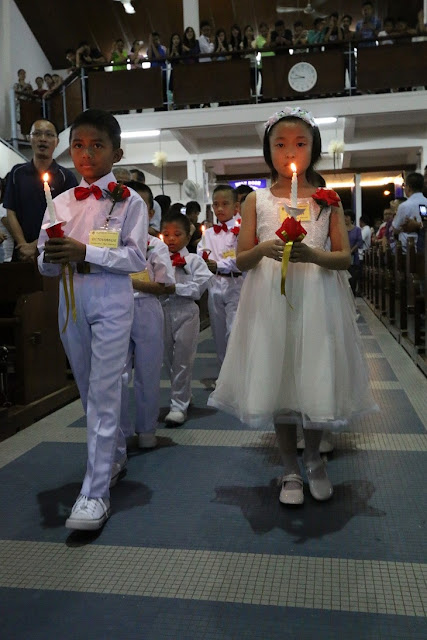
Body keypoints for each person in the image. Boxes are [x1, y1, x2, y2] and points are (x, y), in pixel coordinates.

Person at [208, 106, 377, 506]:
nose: (289, 153)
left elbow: (344, 258)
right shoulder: (256, 200)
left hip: (317, 298)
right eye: (280, 145)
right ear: (268, 151)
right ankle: (289, 468)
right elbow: (242, 258)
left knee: (315, 376)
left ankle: (314, 458)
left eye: (299, 144)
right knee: (279, 377)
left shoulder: (327, 200)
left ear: (313, 149)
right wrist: (265, 248)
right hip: (271, 299)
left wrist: (314, 255)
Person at [37, 109, 148, 530]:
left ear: (116, 152)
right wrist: (51, 257)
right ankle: (113, 456)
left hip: (111, 297)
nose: (86, 153)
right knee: (87, 388)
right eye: (79, 145)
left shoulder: (130, 200)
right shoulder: (60, 201)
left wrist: (86, 251)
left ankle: (95, 493)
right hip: (71, 298)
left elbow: (135, 258)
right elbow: (45, 265)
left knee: (103, 390)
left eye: (97, 145)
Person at [118, 181, 175, 454]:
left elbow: (165, 286)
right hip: (116, 309)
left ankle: (147, 430)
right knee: (116, 374)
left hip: (147, 308)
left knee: (148, 371)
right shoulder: (109, 242)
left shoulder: (156, 245)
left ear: (150, 213)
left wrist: (133, 283)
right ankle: (119, 431)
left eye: (140, 206)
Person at [160, 211, 212, 425]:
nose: (171, 239)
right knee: (168, 359)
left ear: (188, 237)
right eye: (166, 234)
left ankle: (178, 406)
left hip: (186, 311)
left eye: (177, 234)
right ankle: (183, 395)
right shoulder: (156, 258)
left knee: (183, 358)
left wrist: (174, 288)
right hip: (162, 310)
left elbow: (198, 289)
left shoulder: (194, 260)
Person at [4, 119, 77, 262]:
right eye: (37, 134)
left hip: (53, 251)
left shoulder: (66, 177)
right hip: (22, 253)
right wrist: (23, 244)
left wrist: (36, 245)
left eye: (49, 135)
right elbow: (11, 211)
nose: (43, 139)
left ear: (57, 141)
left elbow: (69, 217)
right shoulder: (17, 173)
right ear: (29, 139)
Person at [197, 185, 243, 367]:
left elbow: (241, 258)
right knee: (218, 332)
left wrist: (219, 264)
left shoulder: (242, 230)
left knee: (234, 331)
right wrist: (205, 262)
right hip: (215, 284)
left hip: (236, 284)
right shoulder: (208, 234)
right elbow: (201, 253)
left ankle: (237, 372)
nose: (220, 208)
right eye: (216, 204)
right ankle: (223, 372)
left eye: (225, 204)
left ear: (236, 207)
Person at [392, 172, 426, 253]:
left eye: (404, 185)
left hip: (409, 249)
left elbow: (395, 229)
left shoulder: (404, 206)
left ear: (409, 187)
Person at [344, 209, 363, 295]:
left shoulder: (357, 230)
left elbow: (359, 242)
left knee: (353, 279)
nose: (345, 218)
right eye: (344, 216)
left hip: (353, 257)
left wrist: (351, 250)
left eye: (347, 216)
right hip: (343, 256)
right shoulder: (341, 229)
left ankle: (353, 296)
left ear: (351, 218)